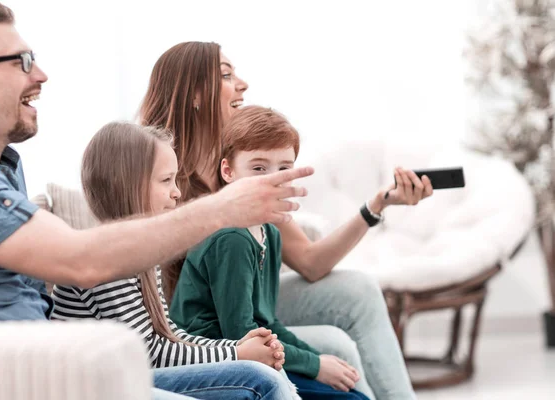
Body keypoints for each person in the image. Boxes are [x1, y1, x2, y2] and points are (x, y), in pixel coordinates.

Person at [0, 2, 312, 399]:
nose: (40, 74)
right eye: (21, 61)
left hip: (49, 362)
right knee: (258, 381)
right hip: (20, 373)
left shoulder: (3, 168)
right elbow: (80, 261)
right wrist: (223, 208)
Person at [139, 41, 433, 400]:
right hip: (208, 329)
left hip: (246, 310)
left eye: (282, 166)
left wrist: (376, 206)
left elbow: (309, 261)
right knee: (334, 346)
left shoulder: (249, 172)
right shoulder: (161, 179)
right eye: (227, 75)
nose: (243, 84)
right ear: (194, 94)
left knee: (359, 289)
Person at [51, 121, 300, 399]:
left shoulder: (143, 256)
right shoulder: (107, 261)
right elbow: (149, 354)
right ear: (129, 184)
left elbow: (169, 336)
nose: (177, 192)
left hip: (135, 370)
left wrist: (236, 346)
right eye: (166, 180)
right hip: (100, 383)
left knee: (265, 371)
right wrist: (236, 353)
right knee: (258, 379)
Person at [171, 106, 374, 400]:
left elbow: (269, 322)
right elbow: (241, 334)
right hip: (218, 362)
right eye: (258, 168)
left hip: (255, 351)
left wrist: (319, 362)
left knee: (347, 382)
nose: (273, 180)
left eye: (284, 168)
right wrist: (315, 365)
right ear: (227, 171)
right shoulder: (233, 238)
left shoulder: (270, 231)